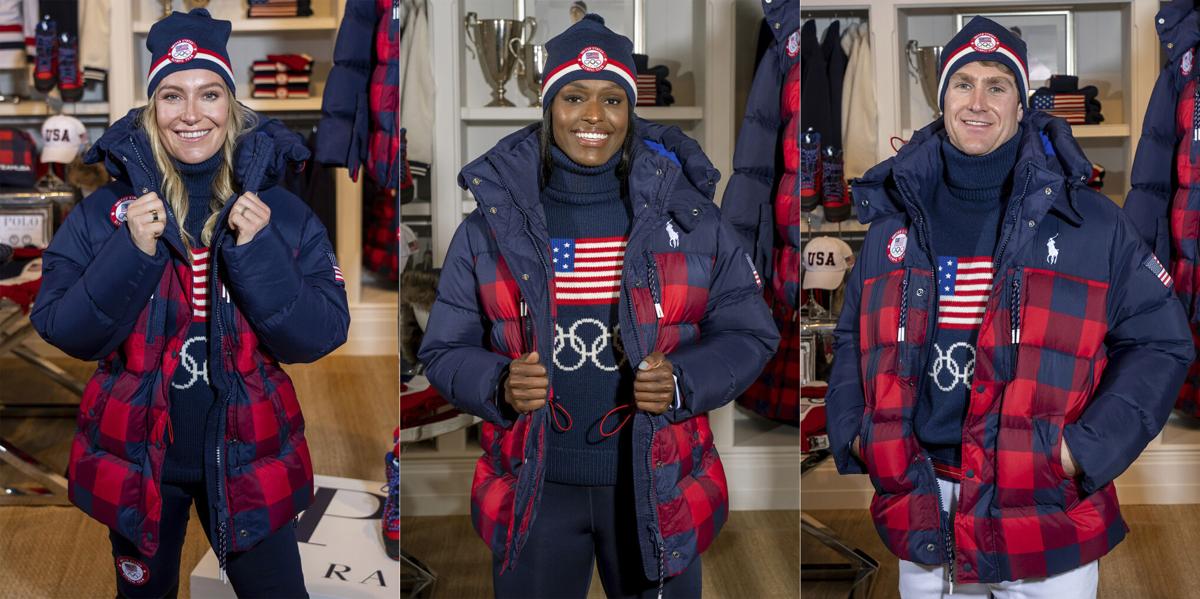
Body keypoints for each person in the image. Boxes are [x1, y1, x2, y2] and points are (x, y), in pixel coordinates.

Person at [824, 16, 1193, 598]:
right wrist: (856, 434)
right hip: (921, 500)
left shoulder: (1092, 224)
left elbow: (1160, 342)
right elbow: (851, 338)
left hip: (1041, 504)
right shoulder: (892, 223)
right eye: (962, 82)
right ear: (941, 97)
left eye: (997, 86)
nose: (978, 101)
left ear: (1021, 105)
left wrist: (1082, 450)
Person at [418, 14, 778, 599]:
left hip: (655, 485)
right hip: (534, 486)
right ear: (548, 105)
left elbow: (750, 333)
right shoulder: (490, 228)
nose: (593, 115)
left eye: (613, 99)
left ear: (631, 112)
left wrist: (683, 381)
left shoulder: (689, 220)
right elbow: (443, 348)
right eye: (574, 97)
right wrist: (498, 381)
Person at [31, 9, 349, 598]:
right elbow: (62, 327)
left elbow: (321, 333)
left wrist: (259, 253)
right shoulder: (108, 213)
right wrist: (129, 251)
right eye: (172, 95)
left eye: (209, 93)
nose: (192, 113)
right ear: (153, 108)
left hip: (251, 454)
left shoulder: (282, 211)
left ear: (231, 102)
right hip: (138, 463)